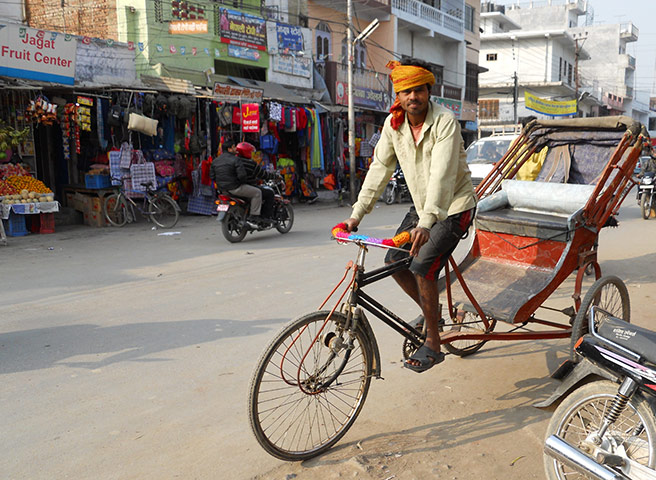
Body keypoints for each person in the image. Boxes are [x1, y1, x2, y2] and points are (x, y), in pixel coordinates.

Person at [341, 58, 477, 373]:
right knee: (393, 262)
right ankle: (434, 314)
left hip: (455, 207)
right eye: (405, 91)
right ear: (398, 95)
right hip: (422, 207)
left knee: (422, 264)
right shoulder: (393, 126)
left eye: (418, 90)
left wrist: (427, 222)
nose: (412, 97)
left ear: (429, 91)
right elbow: (380, 169)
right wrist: (356, 215)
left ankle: (434, 340)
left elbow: (443, 176)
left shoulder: (445, 122)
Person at [210, 139, 275, 225]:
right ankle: (254, 216)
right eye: (233, 147)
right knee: (257, 192)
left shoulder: (215, 161)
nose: (235, 149)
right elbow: (242, 176)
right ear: (229, 149)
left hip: (223, 190)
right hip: (235, 187)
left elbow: (212, 176)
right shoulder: (236, 160)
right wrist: (242, 182)